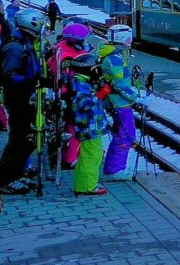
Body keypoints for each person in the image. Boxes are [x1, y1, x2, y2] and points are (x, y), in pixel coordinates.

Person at [0, 10, 44, 195]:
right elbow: (8, 74)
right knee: (19, 138)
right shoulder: (15, 46)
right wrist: (30, 81)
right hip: (18, 99)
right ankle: (5, 178)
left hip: (25, 97)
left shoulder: (24, 42)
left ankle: (16, 173)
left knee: (28, 138)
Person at [99, 30, 139, 182]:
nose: (131, 41)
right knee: (126, 135)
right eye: (129, 38)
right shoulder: (115, 58)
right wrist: (136, 97)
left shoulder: (110, 54)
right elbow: (119, 83)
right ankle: (114, 170)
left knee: (121, 134)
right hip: (120, 103)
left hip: (115, 101)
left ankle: (113, 168)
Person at [65, 53, 107, 196]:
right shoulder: (80, 83)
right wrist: (100, 94)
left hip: (89, 125)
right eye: (95, 68)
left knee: (86, 155)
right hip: (89, 125)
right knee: (93, 155)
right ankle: (89, 186)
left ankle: (81, 184)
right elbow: (83, 104)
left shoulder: (81, 80)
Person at [52, 23, 91, 170]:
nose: (85, 43)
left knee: (71, 126)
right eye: (84, 40)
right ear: (76, 40)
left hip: (68, 93)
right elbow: (64, 76)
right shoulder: (66, 56)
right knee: (75, 126)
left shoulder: (62, 49)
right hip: (69, 94)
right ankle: (71, 158)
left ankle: (69, 155)